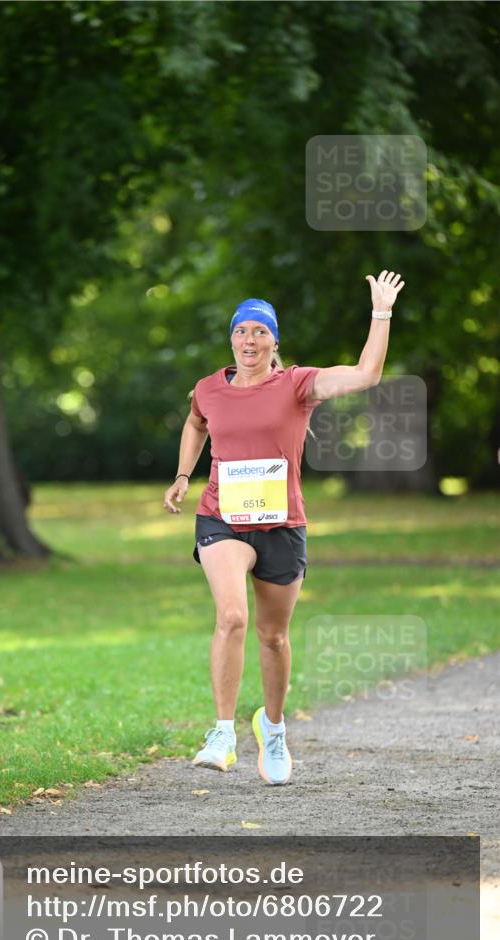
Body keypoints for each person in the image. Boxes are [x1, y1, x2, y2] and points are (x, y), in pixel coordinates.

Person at [163, 270, 405, 785]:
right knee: (231, 617)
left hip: (282, 524)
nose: (249, 340)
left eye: (260, 332)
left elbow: (366, 374)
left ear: (275, 341)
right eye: (240, 331)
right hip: (221, 517)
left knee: (273, 637)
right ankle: (222, 733)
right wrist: (183, 475)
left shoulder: (297, 384)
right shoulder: (209, 388)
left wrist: (381, 311)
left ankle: (272, 729)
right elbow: (196, 422)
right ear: (231, 339)